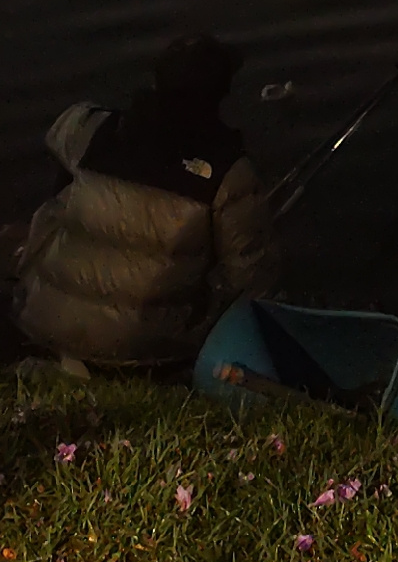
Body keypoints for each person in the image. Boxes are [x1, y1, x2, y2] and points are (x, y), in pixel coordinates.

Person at [14, 34, 278, 372]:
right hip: (145, 347)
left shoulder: (91, 127)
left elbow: (58, 135)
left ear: (156, 80)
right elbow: (251, 277)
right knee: (234, 261)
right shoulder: (230, 172)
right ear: (222, 94)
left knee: (65, 199)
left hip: (46, 321)